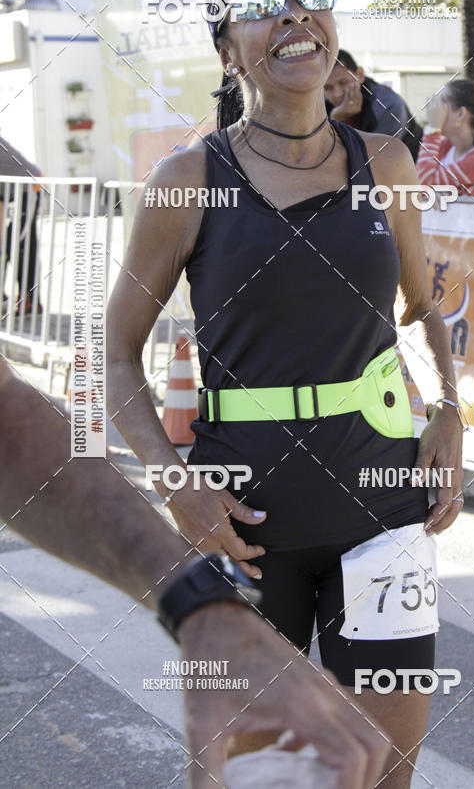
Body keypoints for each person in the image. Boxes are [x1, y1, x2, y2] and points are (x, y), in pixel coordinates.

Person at [107, 0, 464, 788]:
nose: (294, 15)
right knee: (261, 777)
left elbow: (422, 308)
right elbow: (114, 355)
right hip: (244, 529)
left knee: (383, 773)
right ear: (229, 47)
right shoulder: (187, 180)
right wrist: (172, 477)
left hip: (382, 517)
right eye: (264, 3)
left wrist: (450, 408)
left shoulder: (387, 161)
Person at [0, 355, 389, 789]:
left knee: (367, 758)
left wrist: (203, 604)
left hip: (376, 496)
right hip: (257, 508)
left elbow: (7, 427)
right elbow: (115, 353)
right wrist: (174, 480)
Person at [324, 49, 423, 161]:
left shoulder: (388, 106)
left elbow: (374, 160)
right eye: (328, 88)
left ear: (360, 75)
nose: (337, 94)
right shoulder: (321, 103)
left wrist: (334, 123)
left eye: (343, 82)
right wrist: (336, 119)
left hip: (409, 168)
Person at [416, 78, 474, 198]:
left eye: (441, 102)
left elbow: (422, 182)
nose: (434, 109)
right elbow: (418, 188)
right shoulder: (446, 145)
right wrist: (431, 193)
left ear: (460, 114)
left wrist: (433, 129)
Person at [0, 134, 43, 316]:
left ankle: (30, 300)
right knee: (5, 245)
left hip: (28, 190)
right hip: (8, 193)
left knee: (16, 245)